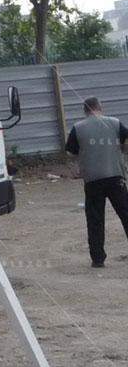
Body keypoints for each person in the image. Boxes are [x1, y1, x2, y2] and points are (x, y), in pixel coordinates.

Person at [65, 96, 128, 268]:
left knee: (95, 219)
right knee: (126, 214)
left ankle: (98, 259)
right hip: (116, 177)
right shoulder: (115, 123)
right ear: (101, 107)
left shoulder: (78, 128)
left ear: (84, 110)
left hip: (92, 180)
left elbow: (71, 152)